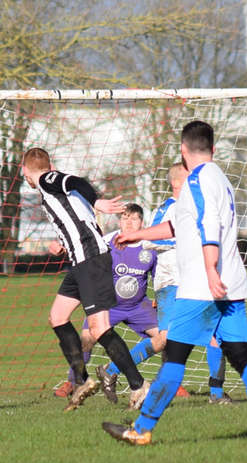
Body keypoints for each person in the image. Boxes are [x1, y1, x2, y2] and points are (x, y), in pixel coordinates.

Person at [102, 121, 247, 445]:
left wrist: (211, 270)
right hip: (230, 288)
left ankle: (141, 431)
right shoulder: (221, 180)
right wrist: (136, 234)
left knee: (174, 357)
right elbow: (177, 226)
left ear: (183, 151)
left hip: (204, 288)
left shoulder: (196, 181)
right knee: (243, 354)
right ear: (212, 149)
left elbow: (207, 226)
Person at [21, 147, 150, 412]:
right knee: (58, 317)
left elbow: (75, 181)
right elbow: (80, 220)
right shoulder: (60, 194)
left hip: (90, 259)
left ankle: (139, 386)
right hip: (81, 260)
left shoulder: (47, 180)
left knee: (99, 327)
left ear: (26, 169)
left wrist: (98, 201)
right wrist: (63, 243)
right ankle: (81, 380)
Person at [55, 203, 160, 405]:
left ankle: (116, 371)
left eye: (134, 219)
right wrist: (60, 246)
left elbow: (158, 275)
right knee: (86, 341)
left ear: (142, 222)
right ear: (119, 221)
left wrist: (159, 296)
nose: (129, 223)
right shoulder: (105, 242)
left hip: (138, 307)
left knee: (165, 338)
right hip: (107, 304)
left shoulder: (150, 246)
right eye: (125, 218)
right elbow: (81, 249)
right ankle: (73, 381)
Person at [146, 162, 232, 404]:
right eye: (188, 178)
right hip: (171, 280)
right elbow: (148, 241)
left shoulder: (191, 208)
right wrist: (180, 243)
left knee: (215, 333)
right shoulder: (168, 208)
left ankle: (216, 393)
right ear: (175, 183)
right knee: (166, 339)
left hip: (193, 281)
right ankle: (116, 371)